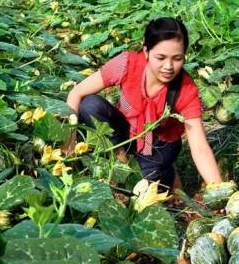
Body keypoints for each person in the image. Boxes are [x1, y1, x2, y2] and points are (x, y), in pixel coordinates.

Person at [65, 17, 223, 192]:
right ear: (146, 52)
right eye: (161, 57)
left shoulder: (186, 89)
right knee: (90, 105)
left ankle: (167, 173)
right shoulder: (127, 64)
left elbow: (199, 146)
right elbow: (76, 93)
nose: (168, 66)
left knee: (146, 186)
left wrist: (218, 190)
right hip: (125, 132)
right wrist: (69, 140)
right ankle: (122, 162)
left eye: (177, 58)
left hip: (159, 143)